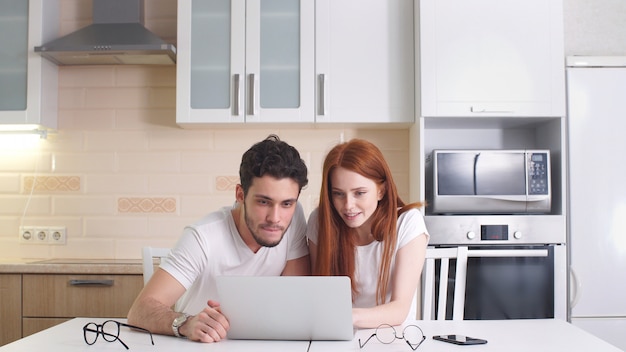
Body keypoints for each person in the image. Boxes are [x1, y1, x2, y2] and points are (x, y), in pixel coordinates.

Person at [127, 134, 310, 343]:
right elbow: (139, 311)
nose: (275, 218)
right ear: (240, 195)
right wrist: (186, 324)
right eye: (263, 202)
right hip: (200, 346)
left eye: (287, 203)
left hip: (260, 344)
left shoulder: (294, 217)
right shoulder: (203, 237)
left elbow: (295, 298)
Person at [306, 138, 429, 329]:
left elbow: (399, 310)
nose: (348, 205)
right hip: (337, 334)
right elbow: (317, 291)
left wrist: (348, 317)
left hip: (392, 337)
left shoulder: (408, 223)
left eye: (359, 193)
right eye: (338, 193)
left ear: (381, 190)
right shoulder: (320, 222)